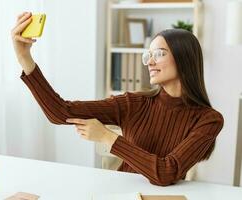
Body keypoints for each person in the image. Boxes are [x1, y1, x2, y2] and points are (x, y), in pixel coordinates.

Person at [11, 12, 224, 186]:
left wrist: (107, 137)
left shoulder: (209, 120)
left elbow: (167, 173)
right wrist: (25, 59)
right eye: (147, 55)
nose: (149, 62)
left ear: (184, 58)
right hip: (121, 193)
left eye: (158, 54)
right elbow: (61, 112)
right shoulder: (134, 103)